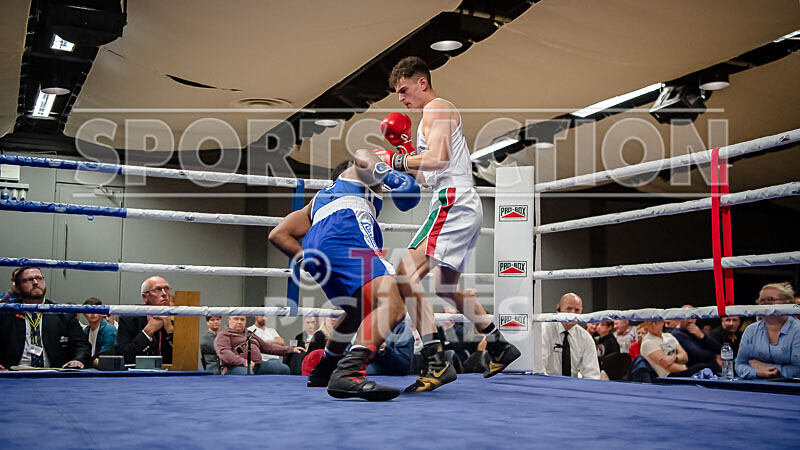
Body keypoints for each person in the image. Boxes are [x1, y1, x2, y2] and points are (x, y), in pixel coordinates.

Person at [381, 56, 520, 392]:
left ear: (422, 82)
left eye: (403, 89)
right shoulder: (428, 120)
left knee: (404, 275)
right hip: (458, 200)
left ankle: (435, 360)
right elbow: (428, 176)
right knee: (446, 286)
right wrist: (402, 154)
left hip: (452, 201)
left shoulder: (437, 109)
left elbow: (440, 159)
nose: (401, 98)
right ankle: (499, 345)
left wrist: (395, 159)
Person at [269, 148, 421, 400]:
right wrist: (391, 176)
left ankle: (324, 370)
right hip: (346, 236)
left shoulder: (317, 202)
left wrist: (308, 260)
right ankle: (349, 373)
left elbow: (277, 235)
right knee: (393, 304)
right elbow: (363, 154)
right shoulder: (357, 176)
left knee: (357, 310)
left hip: (319, 248)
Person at [0, 267, 90, 370]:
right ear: (18, 287)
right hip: (12, 374)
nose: (35, 282)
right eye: (29, 279)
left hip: (54, 375)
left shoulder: (63, 313)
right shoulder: (5, 313)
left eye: (39, 278)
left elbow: (82, 345)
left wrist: (78, 360)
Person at [735, 282, 800, 379]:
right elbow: (739, 364)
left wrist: (765, 368)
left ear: (788, 303)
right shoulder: (751, 330)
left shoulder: (797, 330)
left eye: (770, 299)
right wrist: (757, 372)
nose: (764, 304)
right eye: (761, 300)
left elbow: (798, 370)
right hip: (755, 387)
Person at [116, 276, 174, 365]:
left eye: (166, 289)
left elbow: (185, 356)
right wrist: (147, 332)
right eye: (158, 289)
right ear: (145, 297)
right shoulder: (130, 319)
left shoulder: (179, 318)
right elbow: (124, 356)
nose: (164, 293)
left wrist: (169, 329)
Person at [214, 316, 302, 375]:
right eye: (236, 319)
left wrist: (291, 349)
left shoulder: (249, 334)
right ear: (229, 321)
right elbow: (224, 353)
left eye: (242, 319)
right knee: (249, 374)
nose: (239, 322)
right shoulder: (224, 335)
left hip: (257, 364)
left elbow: (267, 347)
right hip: (234, 367)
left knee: (284, 369)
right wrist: (243, 362)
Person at [540, 293, 600, 379]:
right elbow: (539, 368)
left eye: (577, 310)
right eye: (569, 309)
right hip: (548, 385)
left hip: (573, 387)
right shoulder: (544, 330)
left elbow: (592, 374)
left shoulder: (586, 337)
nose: (573, 314)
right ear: (558, 310)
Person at [641, 320, 712, 378]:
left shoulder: (668, 336)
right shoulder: (648, 342)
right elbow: (668, 366)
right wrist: (685, 367)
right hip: (668, 377)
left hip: (681, 371)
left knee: (707, 367)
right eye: (650, 322)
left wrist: (674, 358)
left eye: (656, 322)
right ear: (646, 323)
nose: (653, 324)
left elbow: (685, 356)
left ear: (663, 322)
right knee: (703, 367)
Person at [670, 305, 723, 373]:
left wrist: (702, 336)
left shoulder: (696, 331)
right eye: (686, 317)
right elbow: (698, 355)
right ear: (679, 318)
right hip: (693, 372)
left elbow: (718, 348)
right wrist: (715, 356)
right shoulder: (677, 334)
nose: (690, 321)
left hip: (710, 370)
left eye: (693, 317)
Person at [81, 297, 117, 364]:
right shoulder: (85, 331)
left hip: (103, 370)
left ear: (102, 312)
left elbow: (106, 355)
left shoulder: (109, 330)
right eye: (89, 311)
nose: (93, 313)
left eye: (96, 310)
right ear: (84, 314)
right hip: (89, 367)